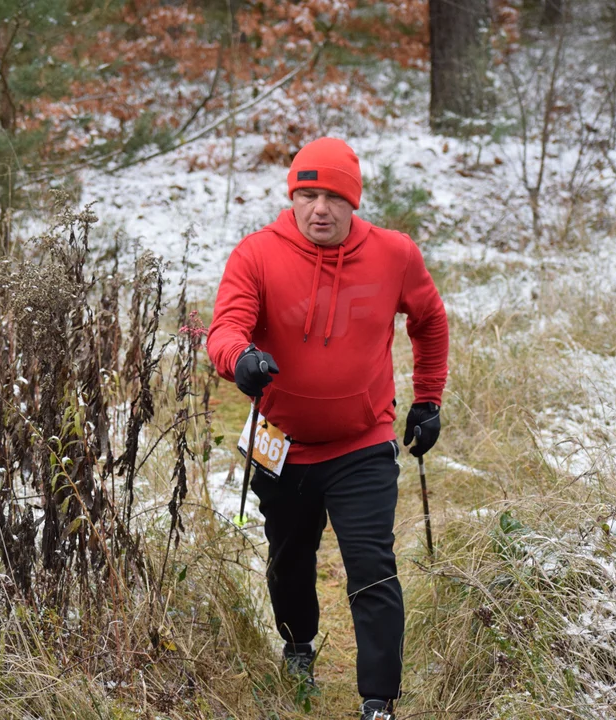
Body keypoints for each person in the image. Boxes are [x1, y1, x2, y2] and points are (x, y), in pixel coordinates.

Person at [206, 137, 448, 720]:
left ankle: (378, 700)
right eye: (307, 194)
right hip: (282, 445)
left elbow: (430, 319)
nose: (320, 208)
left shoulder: (394, 255)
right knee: (289, 561)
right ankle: (298, 644)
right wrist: (241, 359)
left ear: (353, 202)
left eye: (334, 197)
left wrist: (427, 399)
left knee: (372, 567)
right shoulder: (257, 254)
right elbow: (225, 328)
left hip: (362, 443)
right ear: (292, 197)